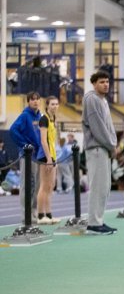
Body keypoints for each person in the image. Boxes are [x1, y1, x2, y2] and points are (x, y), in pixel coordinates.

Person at [83, 70, 118, 235]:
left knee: (104, 187)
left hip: (104, 148)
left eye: (107, 81)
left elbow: (109, 126)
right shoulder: (91, 99)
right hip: (96, 148)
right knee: (97, 187)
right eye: (102, 82)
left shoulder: (103, 101)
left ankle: (99, 220)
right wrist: (111, 144)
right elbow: (98, 127)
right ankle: (93, 224)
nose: (106, 84)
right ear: (94, 84)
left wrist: (113, 144)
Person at [9, 91, 42, 221]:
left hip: (38, 157)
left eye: (37, 99)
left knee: (36, 186)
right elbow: (13, 130)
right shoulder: (24, 116)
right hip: (27, 156)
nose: (35, 101)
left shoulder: (40, 116)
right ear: (28, 101)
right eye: (32, 99)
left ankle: (33, 213)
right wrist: (24, 145)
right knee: (27, 185)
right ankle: (25, 215)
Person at [36, 96, 60, 224]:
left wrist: (55, 157)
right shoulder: (44, 119)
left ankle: (49, 215)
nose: (55, 106)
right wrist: (49, 158)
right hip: (45, 156)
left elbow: (53, 141)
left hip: (53, 155)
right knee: (44, 186)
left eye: (56, 104)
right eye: (52, 104)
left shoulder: (53, 118)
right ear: (47, 105)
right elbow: (43, 140)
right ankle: (40, 216)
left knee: (51, 186)